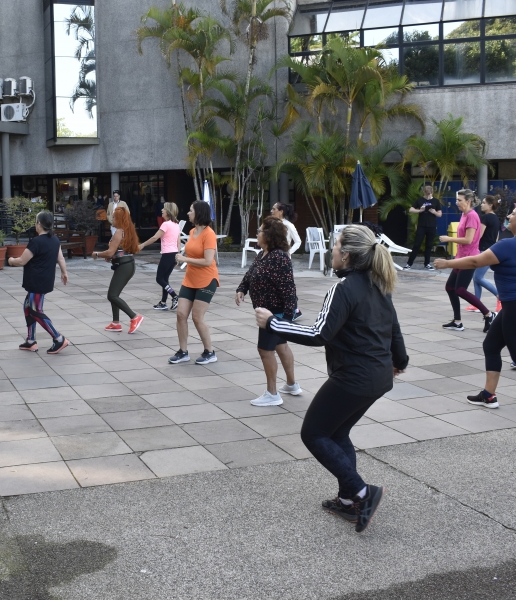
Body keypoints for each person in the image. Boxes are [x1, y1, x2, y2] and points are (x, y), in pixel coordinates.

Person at [255, 225, 407, 533]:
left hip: (353, 377)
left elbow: (318, 334)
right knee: (337, 433)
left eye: (335, 245)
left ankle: (362, 492)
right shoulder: (378, 283)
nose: (332, 250)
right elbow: (394, 329)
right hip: (377, 377)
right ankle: (348, 501)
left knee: (314, 434)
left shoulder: (343, 288)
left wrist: (273, 323)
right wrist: (400, 361)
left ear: (346, 255)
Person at [435, 204, 516, 416]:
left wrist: (447, 263)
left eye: (513, 214)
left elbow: (475, 261)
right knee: (491, 345)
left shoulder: (507, 245)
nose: (509, 216)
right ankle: (488, 395)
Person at [236, 217, 301, 406]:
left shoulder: (279, 256)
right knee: (281, 346)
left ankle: (272, 394)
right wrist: (242, 288)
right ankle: (292, 385)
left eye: (260, 231)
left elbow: (289, 289)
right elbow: (250, 274)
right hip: (266, 311)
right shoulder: (262, 254)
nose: (257, 233)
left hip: (274, 313)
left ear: (270, 235)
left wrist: (287, 318)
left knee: (265, 350)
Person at [8, 211, 70, 355]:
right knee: (27, 307)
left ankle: (59, 338)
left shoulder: (36, 242)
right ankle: (31, 341)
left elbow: (22, 261)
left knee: (35, 311)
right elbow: (60, 258)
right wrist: (64, 272)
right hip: (44, 280)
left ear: (39, 224)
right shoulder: (55, 239)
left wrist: (11, 260)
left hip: (37, 281)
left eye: (36, 222)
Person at [169, 201, 219, 365]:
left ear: (199, 213)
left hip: (207, 280)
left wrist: (185, 259)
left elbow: (207, 261)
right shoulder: (192, 231)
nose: (188, 213)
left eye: (191, 211)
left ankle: (209, 352)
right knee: (181, 314)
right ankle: (183, 352)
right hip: (190, 279)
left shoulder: (209, 234)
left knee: (197, 317)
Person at [439, 189, 496, 333]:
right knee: (450, 287)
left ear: (468, 201)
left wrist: (449, 238)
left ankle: (489, 314)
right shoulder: (464, 214)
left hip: (469, 258)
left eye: (459, 200)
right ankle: (457, 322)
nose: (456, 202)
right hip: (461, 257)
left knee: (460, 290)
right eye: (457, 200)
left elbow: (468, 240)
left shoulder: (472, 216)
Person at [93, 206, 144, 334]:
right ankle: (115, 323)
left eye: (114, 217)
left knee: (112, 295)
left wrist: (97, 254)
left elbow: (110, 252)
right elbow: (119, 250)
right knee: (114, 294)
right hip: (127, 264)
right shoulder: (127, 231)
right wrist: (111, 256)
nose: (112, 219)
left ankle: (134, 317)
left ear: (119, 219)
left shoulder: (119, 232)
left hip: (124, 266)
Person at [139, 202, 181, 311]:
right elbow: (178, 241)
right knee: (165, 279)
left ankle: (175, 296)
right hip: (174, 254)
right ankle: (163, 303)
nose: (162, 210)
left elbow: (154, 237)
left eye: (164, 208)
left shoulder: (166, 224)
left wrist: (142, 245)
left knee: (159, 279)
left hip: (167, 255)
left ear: (168, 211)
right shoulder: (176, 225)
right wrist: (178, 255)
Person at [467, 195, 502, 313]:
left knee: (478, 277)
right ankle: (476, 303)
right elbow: (497, 237)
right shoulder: (496, 218)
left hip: (483, 250)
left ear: (490, 205)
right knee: (476, 277)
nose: (481, 205)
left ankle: (500, 297)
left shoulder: (485, 217)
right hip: (491, 250)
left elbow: (478, 235)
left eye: (483, 203)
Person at [405, 185, 442, 271]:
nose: (428, 196)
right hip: (421, 225)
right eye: (426, 194)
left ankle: (427, 263)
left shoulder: (436, 201)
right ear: (424, 192)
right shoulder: (420, 200)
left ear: (432, 192)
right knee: (417, 244)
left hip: (432, 226)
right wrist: (420, 210)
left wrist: (434, 212)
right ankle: (409, 263)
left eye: (429, 194)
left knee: (429, 245)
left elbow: (440, 214)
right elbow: (411, 209)